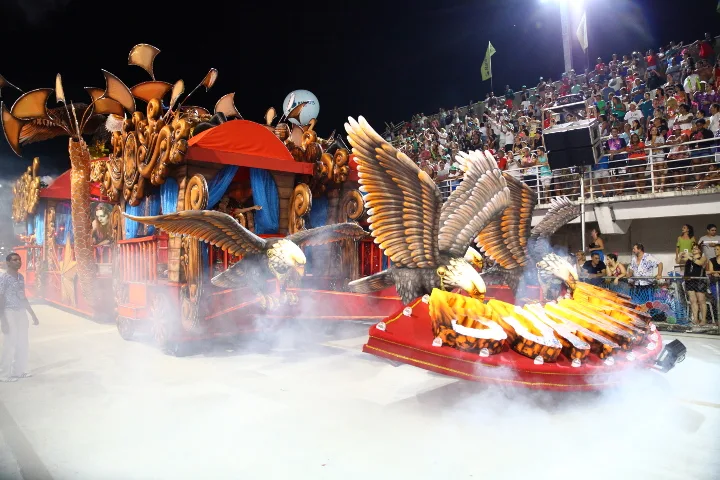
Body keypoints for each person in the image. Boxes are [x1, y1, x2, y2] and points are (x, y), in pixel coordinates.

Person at [0, 253, 40, 382]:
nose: (18, 262)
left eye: (19, 259)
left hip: (21, 312)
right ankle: (4, 374)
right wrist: (3, 320)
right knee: (10, 343)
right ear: (8, 263)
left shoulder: (20, 277)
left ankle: (19, 371)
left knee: (23, 343)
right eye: (14, 260)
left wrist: (32, 314)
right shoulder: (4, 278)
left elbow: (23, 297)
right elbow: (1, 298)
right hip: (9, 311)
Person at [684, 243, 708, 326]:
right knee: (693, 301)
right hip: (690, 281)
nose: (694, 250)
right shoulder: (689, 259)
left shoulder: (703, 257)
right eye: (693, 249)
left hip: (700, 281)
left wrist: (690, 257)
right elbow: (678, 261)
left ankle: (704, 319)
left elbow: (700, 263)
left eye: (696, 249)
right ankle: (695, 319)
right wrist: (680, 255)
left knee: (701, 301)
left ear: (700, 250)